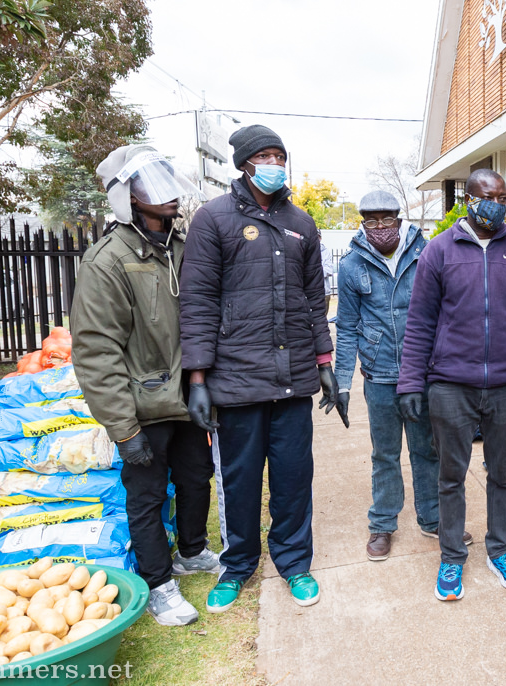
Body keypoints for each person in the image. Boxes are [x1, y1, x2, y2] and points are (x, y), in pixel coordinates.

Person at [179, 125, 347, 612]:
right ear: (245, 164)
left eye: (280, 155)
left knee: (294, 478)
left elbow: (315, 300)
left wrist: (324, 363)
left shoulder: (302, 222)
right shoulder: (213, 220)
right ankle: (238, 566)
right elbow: (198, 302)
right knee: (241, 480)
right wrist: (198, 379)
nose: (275, 164)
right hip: (236, 380)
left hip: (293, 378)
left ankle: (294, 563)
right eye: (265, 156)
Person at [70, 144, 219, 627]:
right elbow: (96, 351)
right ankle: (159, 583)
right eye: (150, 184)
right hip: (141, 407)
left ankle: (192, 551)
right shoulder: (107, 261)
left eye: (166, 180)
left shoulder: (181, 247)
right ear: (127, 197)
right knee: (148, 495)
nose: (167, 195)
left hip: (185, 398)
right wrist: (123, 428)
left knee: (197, 479)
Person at [397, 169, 506, 601]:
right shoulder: (439, 252)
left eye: (502, 196)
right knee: (450, 476)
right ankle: (451, 556)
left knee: (503, 475)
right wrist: (411, 382)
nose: (495, 203)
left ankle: (500, 549)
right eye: (487, 196)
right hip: (451, 385)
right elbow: (419, 324)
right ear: (468, 200)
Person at [335, 190, 472, 562]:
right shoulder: (351, 266)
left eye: (386, 220)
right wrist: (342, 382)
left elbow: (446, 313)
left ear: (399, 218)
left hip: (423, 373)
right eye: (371, 221)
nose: (380, 228)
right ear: (362, 223)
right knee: (385, 454)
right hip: (378, 376)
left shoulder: (426, 255)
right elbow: (346, 328)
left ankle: (433, 517)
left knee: (427, 450)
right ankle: (382, 524)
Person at [319, 231, 334, 317]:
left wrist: (314, 271)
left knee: (323, 317)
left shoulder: (325, 252)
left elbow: (329, 270)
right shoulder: (305, 249)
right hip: (308, 292)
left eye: (318, 237)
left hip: (324, 291)